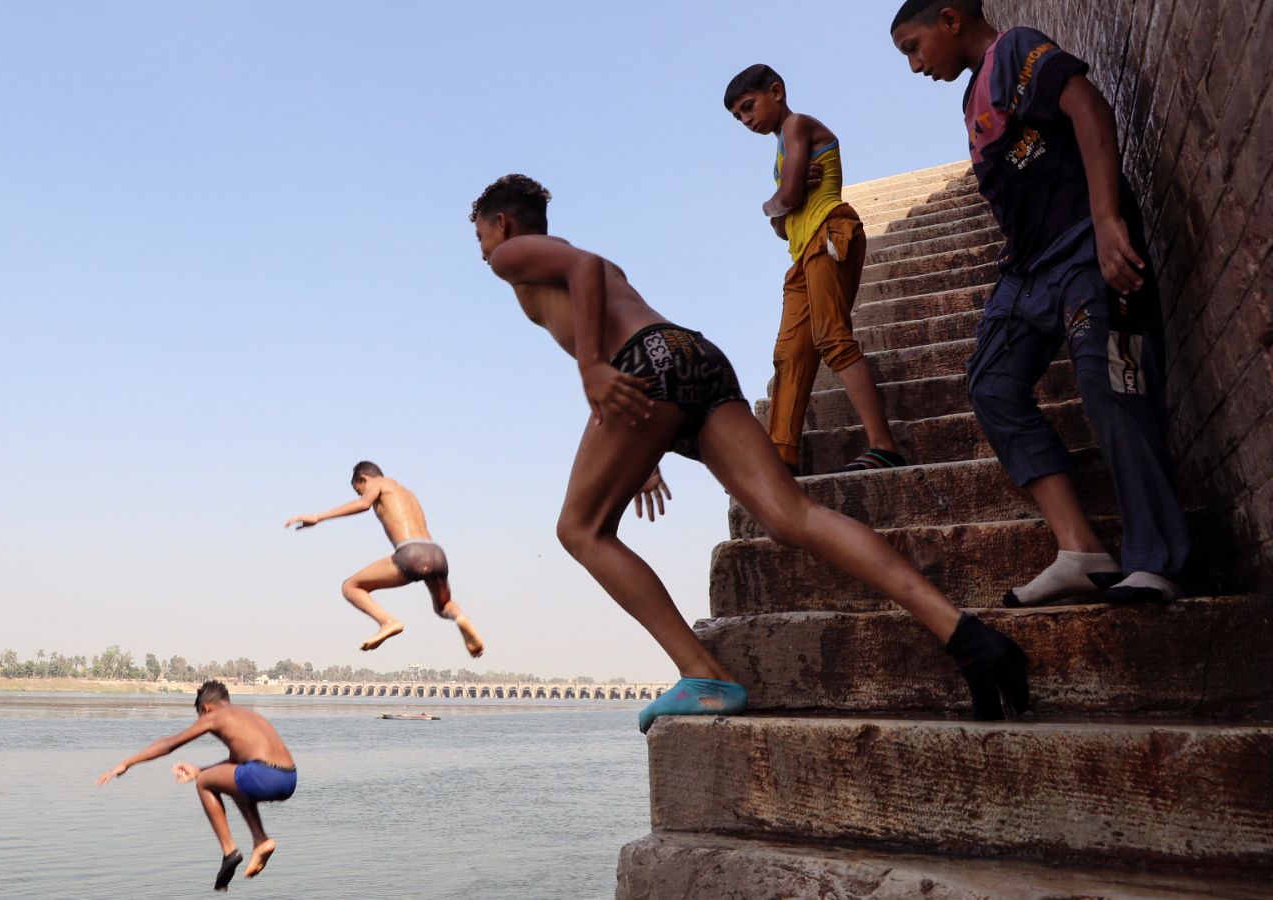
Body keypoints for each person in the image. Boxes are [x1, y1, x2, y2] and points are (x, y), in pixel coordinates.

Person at [468, 173, 1031, 731]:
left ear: (504, 223)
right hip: (689, 356)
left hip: (646, 362)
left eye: (481, 237)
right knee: (794, 516)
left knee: (580, 531)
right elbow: (599, 290)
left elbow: (584, 273)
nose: (483, 252)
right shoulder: (559, 262)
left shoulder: (512, 255)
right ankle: (968, 637)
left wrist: (592, 366)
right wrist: (641, 453)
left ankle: (703, 674)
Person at [891, 0, 1190, 606]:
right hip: (1027, 275)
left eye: (914, 47)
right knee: (991, 385)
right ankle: (1081, 549)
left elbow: (1088, 109)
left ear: (950, 19)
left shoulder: (1017, 49)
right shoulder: (972, 97)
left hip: (1087, 249)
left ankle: (1155, 559)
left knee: (1112, 379)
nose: (915, 66)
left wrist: (1108, 220)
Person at [725, 64, 904, 474]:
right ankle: (780, 457)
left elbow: (783, 202)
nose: (746, 119)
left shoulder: (797, 125)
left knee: (832, 339)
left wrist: (774, 200)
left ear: (777, 91)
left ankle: (884, 445)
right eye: (738, 116)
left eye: (749, 107)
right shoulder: (782, 149)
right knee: (789, 353)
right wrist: (780, 202)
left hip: (830, 232)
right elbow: (781, 226)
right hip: (802, 252)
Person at [96, 681, 294, 891]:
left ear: (205, 709)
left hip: (263, 775)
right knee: (231, 780)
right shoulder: (249, 717)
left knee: (204, 783)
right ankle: (260, 840)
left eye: (200, 715)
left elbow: (168, 744)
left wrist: (127, 763)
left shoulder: (214, 715)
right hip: (288, 779)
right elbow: (235, 766)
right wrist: (200, 769)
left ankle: (229, 852)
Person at [285, 461, 485, 657]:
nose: (362, 494)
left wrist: (318, 517)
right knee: (443, 606)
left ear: (364, 479)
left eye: (359, 490)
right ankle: (460, 618)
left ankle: (387, 622)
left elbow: (363, 505)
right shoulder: (408, 492)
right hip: (436, 554)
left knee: (350, 587)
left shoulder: (379, 483)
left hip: (411, 553)